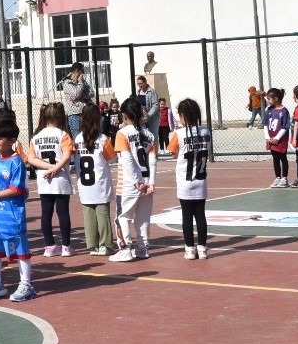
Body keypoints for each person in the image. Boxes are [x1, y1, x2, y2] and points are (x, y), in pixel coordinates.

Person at [0, 121, 33, 302]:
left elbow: (16, 189)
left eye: (0, 138)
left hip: (12, 214)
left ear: (12, 140)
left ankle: (26, 284)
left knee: (20, 249)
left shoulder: (17, 162)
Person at [26, 103, 75, 257]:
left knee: (46, 214)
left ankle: (49, 246)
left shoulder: (36, 137)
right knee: (63, 212)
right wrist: (55, 168)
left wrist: (48, 167)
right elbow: (67, 155)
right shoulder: (63, 135)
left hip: (44, 178)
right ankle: (66, 247)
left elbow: (31, 158)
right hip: (60, 178)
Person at [113, 97, 157, 260]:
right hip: (146, 182)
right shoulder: (149, 135)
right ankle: (142, 248)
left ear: (124, 115)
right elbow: (152, 161)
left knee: (123, 216)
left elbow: (126, 159)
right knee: (143, 217)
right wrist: (151, 182)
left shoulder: (122, 133)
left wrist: (135, 182)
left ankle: (125, 249)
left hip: (129, 184)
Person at [167, 99, 211, 260]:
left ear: (183, 116)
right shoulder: (205, 131)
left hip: (185, 181)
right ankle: (203, 249)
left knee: (187, 216)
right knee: (200, 215)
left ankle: (190, 249)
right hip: (201, 180)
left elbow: (173, 153)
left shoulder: (179, 134)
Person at [74, 105, 117, 259]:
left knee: (88, 215)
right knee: (103, 214)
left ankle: (92, 245)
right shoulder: (102, 139)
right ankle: (105, 244)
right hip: (100, 184)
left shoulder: (77, 139)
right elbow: (112, 159)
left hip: (84, 185)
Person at [58, 63, 93, 139]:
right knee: (76, 137)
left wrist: (79, 96)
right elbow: (76, 93)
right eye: (81, 72)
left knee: (87, 135)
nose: (82, 74)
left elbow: (91, 93)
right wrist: (80, 84)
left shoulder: (83, 82)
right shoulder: (67, 82)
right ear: (76, 71)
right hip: (74, 114)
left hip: (85, 113)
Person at [264, 89, 290, 187]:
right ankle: (278, 177)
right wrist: (267, 137)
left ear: (275, 99)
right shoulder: (269, 110)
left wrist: (277, 138)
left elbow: (285, 126)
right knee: (275, 158)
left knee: (283, 158)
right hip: (271, 139)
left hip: (280, 140)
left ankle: (284, 178)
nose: (268, 101)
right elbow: (265, 124)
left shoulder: (284, 111)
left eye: (269, 99)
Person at [133, 75, 159, 140]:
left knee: (153, 135)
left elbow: (155, 105)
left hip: (152, 117)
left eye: (141, 83)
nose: (139, 85)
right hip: (142, 117)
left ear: (145, 82)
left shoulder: (152, 92)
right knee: (143, 134)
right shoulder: (138, 92)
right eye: (138, 84)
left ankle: (155, 147)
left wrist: (148, 115)